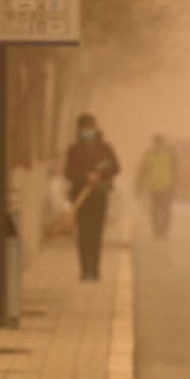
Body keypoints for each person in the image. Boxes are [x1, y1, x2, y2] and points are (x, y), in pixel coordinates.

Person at [64, 114, 120, 281]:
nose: (88, 131)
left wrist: (100, 175)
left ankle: (95, 269)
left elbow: (116, 167)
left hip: (99, 195)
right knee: (83, 233)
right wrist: (84, 177)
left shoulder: (105, 148)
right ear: (79, 130)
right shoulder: (74, 149)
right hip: (81, 196)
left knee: (96, 233)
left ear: (96, 128)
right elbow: (68, 172)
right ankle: (84, 269)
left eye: (90, 128)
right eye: (84, 129)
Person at [137, 134, 178, 238]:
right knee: (154, 210)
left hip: (166, 187)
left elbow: (175, 170)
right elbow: (143, 171)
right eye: (157, 143)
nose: (159, 145)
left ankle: (164, 230)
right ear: (154, 143)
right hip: (153, 187)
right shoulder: (148, 155)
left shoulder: (169, 155)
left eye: (161, 143)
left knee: (165, 210)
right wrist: (139, 186)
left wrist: (174, 184)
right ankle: (156, 231)